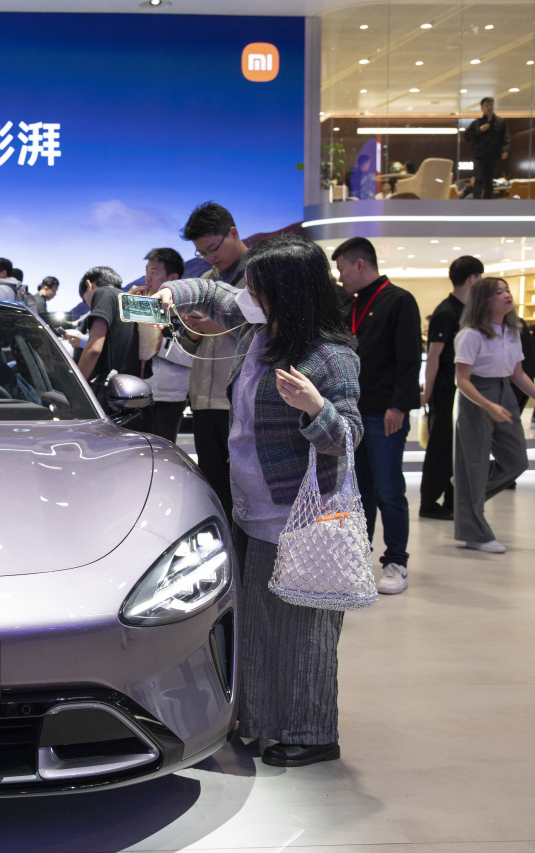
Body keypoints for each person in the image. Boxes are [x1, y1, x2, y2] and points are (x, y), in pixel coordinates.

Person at [153, 233, 363, 768]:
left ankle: (314, 733)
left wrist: (317, 409)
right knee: (260, 628)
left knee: (303, 631)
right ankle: (262, 722)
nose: (246, 294)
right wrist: (173, 292)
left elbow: (348, 437)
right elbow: (211, 295)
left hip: (298, 516)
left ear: (287, 293)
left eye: (258, 287)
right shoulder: (258, 331)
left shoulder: (328, 357)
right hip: (249, 507)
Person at [332, 237, 421, 595]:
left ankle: (396, 561)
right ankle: (359, 558)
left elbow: (408, 357)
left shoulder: (398, 300)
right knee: (359, 492)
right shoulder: (352, 304)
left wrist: (399, 405)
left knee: (388, 490)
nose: (340, 278)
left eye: (341, 270)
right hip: (353, 413)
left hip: (384, 413)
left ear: (359, 264)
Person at [453, 278, 535, 553]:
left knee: (517, 461)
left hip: (505, 391)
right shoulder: (471, 334)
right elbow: (462, 380)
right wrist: (488, 405)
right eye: (499, 292)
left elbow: (517, 373)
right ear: (484, 300)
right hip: (477, 395)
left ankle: (467, 491)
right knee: (476, 464)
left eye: (507, 291)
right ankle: (475, 533)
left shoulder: (513, 330)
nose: (506, 295)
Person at [177, 202, 247, 518]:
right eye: (203, 252)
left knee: (242, 486)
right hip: (203, 398)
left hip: (237, 399)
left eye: (213, 248)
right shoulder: (206, 278)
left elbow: (266, 331)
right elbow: (193, 338)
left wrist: (217, 325)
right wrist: (192, 328)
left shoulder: (259, 274)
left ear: (233, 233)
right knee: (213, 482)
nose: (210, 257)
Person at [419, 256, 483, 519]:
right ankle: (429, 502)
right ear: (472, 278)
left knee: (456, 448)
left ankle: (450, 500)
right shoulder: (447, 312)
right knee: (441, 448)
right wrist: (429, 392)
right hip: (447, 391)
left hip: (459, 390)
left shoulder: (466, 310)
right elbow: (434, 356)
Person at [142, 249, 194, 443]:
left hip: (171, 398)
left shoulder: (188, 309)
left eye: (154, 272)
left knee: (163, 449)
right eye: (146, 271)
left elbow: (193, 356)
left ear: (173, 278)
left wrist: (156, 344)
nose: (147, 278)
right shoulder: (142, 306)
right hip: (140, 392)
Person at [72, 267, 140, 402]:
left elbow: (93, 349)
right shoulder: (130, 301)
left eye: (87, 302)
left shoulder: (103, 292)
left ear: (89, 284)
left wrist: (75, 386)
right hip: (132, 389)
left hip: (107, 390)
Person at [464, 97, 510, 200]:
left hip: (493, 155)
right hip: (479, 156)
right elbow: (467, 137)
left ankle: (487, 203)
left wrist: (505, 150)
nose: (489, 107)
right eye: (486, 105)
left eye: (491, 105)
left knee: (489, 180)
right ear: (482, 108)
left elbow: (506, 138)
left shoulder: (500, 122)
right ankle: (477, 203)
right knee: (479, 179)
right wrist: (480, 130)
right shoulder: (477, 123)